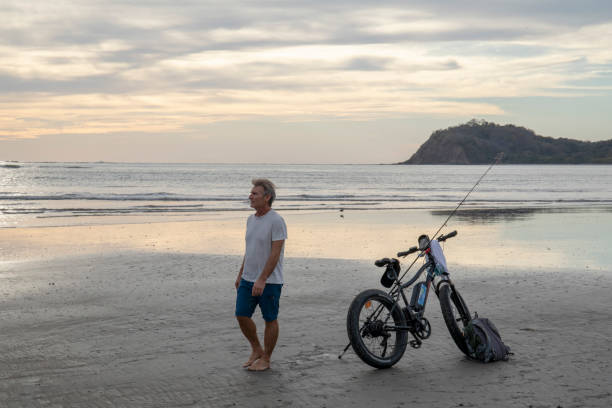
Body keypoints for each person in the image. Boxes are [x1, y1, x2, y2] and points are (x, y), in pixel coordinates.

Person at [235, 178, 287, 371]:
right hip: (248, 278)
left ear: (267, 197)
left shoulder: (276, 221)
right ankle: (256, 349)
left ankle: (266, 358)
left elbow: (275, 253)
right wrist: (241, 274)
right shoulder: (251, 219)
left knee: (270, 319)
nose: (250, 196)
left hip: (270, 281)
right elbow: (249, 250)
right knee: (241, 315)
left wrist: (262, 279)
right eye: (251, 193)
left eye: (254, 193)